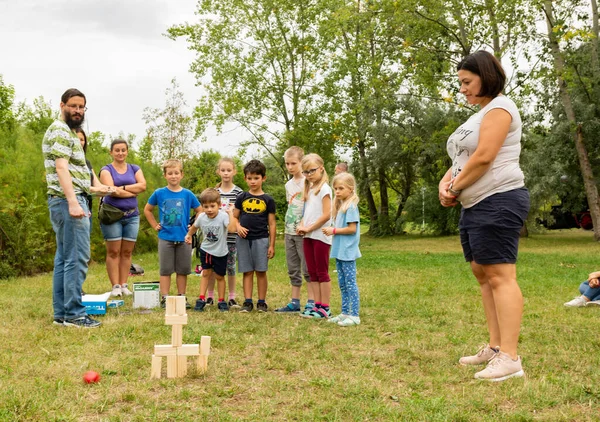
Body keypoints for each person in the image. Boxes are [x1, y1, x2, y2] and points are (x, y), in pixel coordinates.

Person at [438, 50, 529, 381]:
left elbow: (485, 156)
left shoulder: (501, 108)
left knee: (500, 275)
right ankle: (494, 348)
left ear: (486, 77)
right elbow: (463, 158)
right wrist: (445, 183)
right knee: (483, 273)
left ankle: (510, 357)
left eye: (467, 82)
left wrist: (455, 187)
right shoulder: (479, 114)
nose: (462, 89)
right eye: (460, 82)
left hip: (499, 199)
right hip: (475, 203)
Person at [43, 88, 108, 328]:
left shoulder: (68, 132)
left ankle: (62, 314)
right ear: (62, 105)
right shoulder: (61, 130)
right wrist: (73, 202)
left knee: (64, 259)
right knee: (76, 258)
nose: (78, 111)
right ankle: (74, 315)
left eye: (82, 107)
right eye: (73, 106)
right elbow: (61, 168)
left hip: (68, 198)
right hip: (67, 201)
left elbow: (70, 172)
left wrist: (96, 190)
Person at [144, 159, 201, 308]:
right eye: (170, 173)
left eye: (176, 173)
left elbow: (200, 210)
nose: (173, 176)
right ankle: (165, 298)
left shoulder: (188, 194)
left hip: (184, 238)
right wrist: (154, 225)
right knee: (165, 270)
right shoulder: (159, 193)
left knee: (182, 270)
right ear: (165, 175)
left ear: (181, 175)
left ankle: (182, 297)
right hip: (165, 238)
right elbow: (147, 210)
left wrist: (193, 225)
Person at [99, 139, 147, 297]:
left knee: (127, 252)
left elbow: (143, 186)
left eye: (123, 150)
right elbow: (112, 191)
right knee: (113, 251)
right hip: (112, 215)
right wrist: (132, 191)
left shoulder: (134, 168)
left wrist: (123, 188)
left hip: (132, 216)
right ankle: (115, 286)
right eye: (117, 150)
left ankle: (124, 284)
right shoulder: (106, 170)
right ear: (111, 152)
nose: (120, 153)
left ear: (127, 151)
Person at [233, 159, 277, 312]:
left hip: (261, 239)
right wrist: (238, 226)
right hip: (244, 239)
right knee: (247, 271)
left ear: (263, 178)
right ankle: (247, 301)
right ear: (245, 178)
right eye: (250, 178)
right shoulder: (242, 197)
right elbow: (234, 217)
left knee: (261, 271)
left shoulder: (268, 199)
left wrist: (271, 245)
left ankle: (262, 302)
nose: (253, 181)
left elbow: (272, 223)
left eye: (256, 178)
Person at [275, 146, 314, 314]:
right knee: (293, 268)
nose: (290, 167)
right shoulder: (288, 185)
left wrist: (305, 225)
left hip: (305, 232)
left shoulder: (309, 183)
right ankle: (295, 301)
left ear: (301, 162)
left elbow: (312, 207)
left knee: (307, 268)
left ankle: (312, 302)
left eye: (293, 163)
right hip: (289, 231)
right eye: (287, 164)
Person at [185, 188, 236, 312]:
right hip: (206, 250)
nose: (209, 210)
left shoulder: (223, 216)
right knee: (206, 273)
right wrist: (189, 235)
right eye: (206, 206)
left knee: (219, 276)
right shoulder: (202, 217)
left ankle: (221, 300)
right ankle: (202, 298)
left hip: (221, 252)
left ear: (219, 205)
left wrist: (230, 213)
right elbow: (194, 227)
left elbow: (232, 229)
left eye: (212, 206)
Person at [296, 153, 333, 319]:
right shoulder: (309, 189)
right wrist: (302, 225)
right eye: (305, 172)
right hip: (309, 236)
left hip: (320, 236)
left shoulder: (325, 188)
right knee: (312, 272)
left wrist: (310, 227)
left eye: (312, 171)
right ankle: (317, 306)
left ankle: (325, 307)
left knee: (322, 272)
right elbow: (308, 213)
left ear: (321, 168)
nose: (309, 175)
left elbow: (327, 215)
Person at [322, 172, 361, 326]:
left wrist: (334, 231)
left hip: (348, 252)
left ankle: (354, 315)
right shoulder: (340, 207)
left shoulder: (351, 207)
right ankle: (345, 312)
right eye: (335, 188)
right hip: (339, 251)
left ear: (350, 189)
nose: (337, 191)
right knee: (343, 283)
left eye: (341, 188)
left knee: (351, 283)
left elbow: (352, 229)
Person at [204, 157, 243, 309]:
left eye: (229, 170)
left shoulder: (239, 193)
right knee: (213, 268)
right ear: (218, 172)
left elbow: (241, 215)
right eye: (223, 170)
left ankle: (232, 297)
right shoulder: (214, 192)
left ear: (234, 171)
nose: (226, 173)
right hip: (215, 238)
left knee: (231, 267)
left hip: (232, 237)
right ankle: (210, 296)